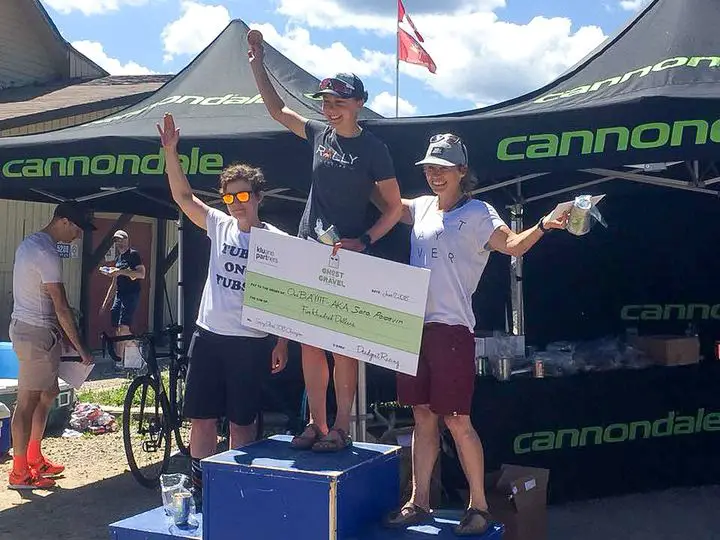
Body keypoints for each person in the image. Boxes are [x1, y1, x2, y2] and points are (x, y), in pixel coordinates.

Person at [380, 134, 568, 535]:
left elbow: (514, 247)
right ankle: (419, 502)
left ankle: (478, 507)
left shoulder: (480, 212)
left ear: (462, 172)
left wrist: (543, 224)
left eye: (443, 168)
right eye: (429, 168)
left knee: (457, 419)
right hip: (412, 324)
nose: (434, 175)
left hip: (452, 329)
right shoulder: (422, 207)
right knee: (421, 417)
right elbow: (386, 202)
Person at [249, 31, 403, 452]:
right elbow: (278, 110)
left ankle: (340, 427)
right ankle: (316, 425)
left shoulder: (374, 148)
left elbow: (394, 208)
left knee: (344, 348)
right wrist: (257, 63)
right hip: (307, 250)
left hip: (347, 257)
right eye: (325, 103)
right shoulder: (318, 133)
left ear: (358, 103)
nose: (330, 110)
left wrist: (365, 241)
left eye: (338, 102)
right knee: (310, 346)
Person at [157, 112, 290, 509]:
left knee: (242, 422)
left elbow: (285, 297)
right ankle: (200, 489)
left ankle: (236, 491)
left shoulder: (277, 240)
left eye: (244, 195)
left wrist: (280, 342)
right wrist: (170, 152)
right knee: (201, 418)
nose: (236, 203)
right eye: (230, 196)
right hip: (209, 336)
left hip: (250, 342)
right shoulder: (219, 224)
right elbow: (183, 197)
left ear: (259, 197)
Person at [8, 202, 95, 490]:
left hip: (38, 330)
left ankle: (34, 457)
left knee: (49, 392)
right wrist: (81, 348)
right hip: (35, 332)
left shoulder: (32, 244)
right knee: (27, 402)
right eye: (78, 229)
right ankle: (19, 472)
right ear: (64, 221)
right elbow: (61, 306)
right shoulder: (46, 252)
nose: (79, 236)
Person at [100, 230, 146, 366]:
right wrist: (105, 303)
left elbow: (141, 274)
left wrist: (120, 271)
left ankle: (138, 350)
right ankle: (119, 361)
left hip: (131, 294)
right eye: (116, 240)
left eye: (121, 240)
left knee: (124, 328)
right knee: (117, 330)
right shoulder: (119, 259)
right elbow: (114, 284)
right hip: (119, 295)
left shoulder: (133, 254)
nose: (118, 243)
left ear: (127, 240)